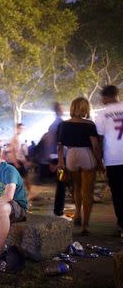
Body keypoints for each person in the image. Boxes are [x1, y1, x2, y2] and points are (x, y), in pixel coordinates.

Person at [57, 97, 104, 235]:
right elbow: (95, 146)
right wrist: (100, 163)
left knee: (76, 188)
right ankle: (85, 226)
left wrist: (61, 162)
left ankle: (77, 213)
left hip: (71, 155)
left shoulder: (64, 125)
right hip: (86, 154)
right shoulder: (89, 125)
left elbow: (60, 146)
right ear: (85, 108)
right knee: (87, 192)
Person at [95, 85, 123, 238]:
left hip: (113, 159)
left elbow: (99, 141)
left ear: (105, 97)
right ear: (117, 94)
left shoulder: (102, 115)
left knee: (118, 194)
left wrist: (99, 161)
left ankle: (122, 226)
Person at [45, 103, 71, 220]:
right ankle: (58, 211)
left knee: (62, 183)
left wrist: (49, 159)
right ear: (58, 110)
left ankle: (59, 210)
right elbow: (59, 143)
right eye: (61, 108)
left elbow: (49, 143)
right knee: (61, 183)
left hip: (55, 157)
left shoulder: (53, 125)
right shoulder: (61, 124)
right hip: (61, 158)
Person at [8, 123, 32, 201]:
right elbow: (13, 151)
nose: (21, 130)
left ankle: (27, 193)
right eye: (20, 128)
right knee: (20, 178)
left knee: (24, 177)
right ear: (17, 128)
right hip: (17, 161)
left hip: (19, 161)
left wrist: (25, 161)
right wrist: (15, 162)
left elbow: (21, 152)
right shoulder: (15, 138)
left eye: (22, 128)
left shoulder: (19, 138)